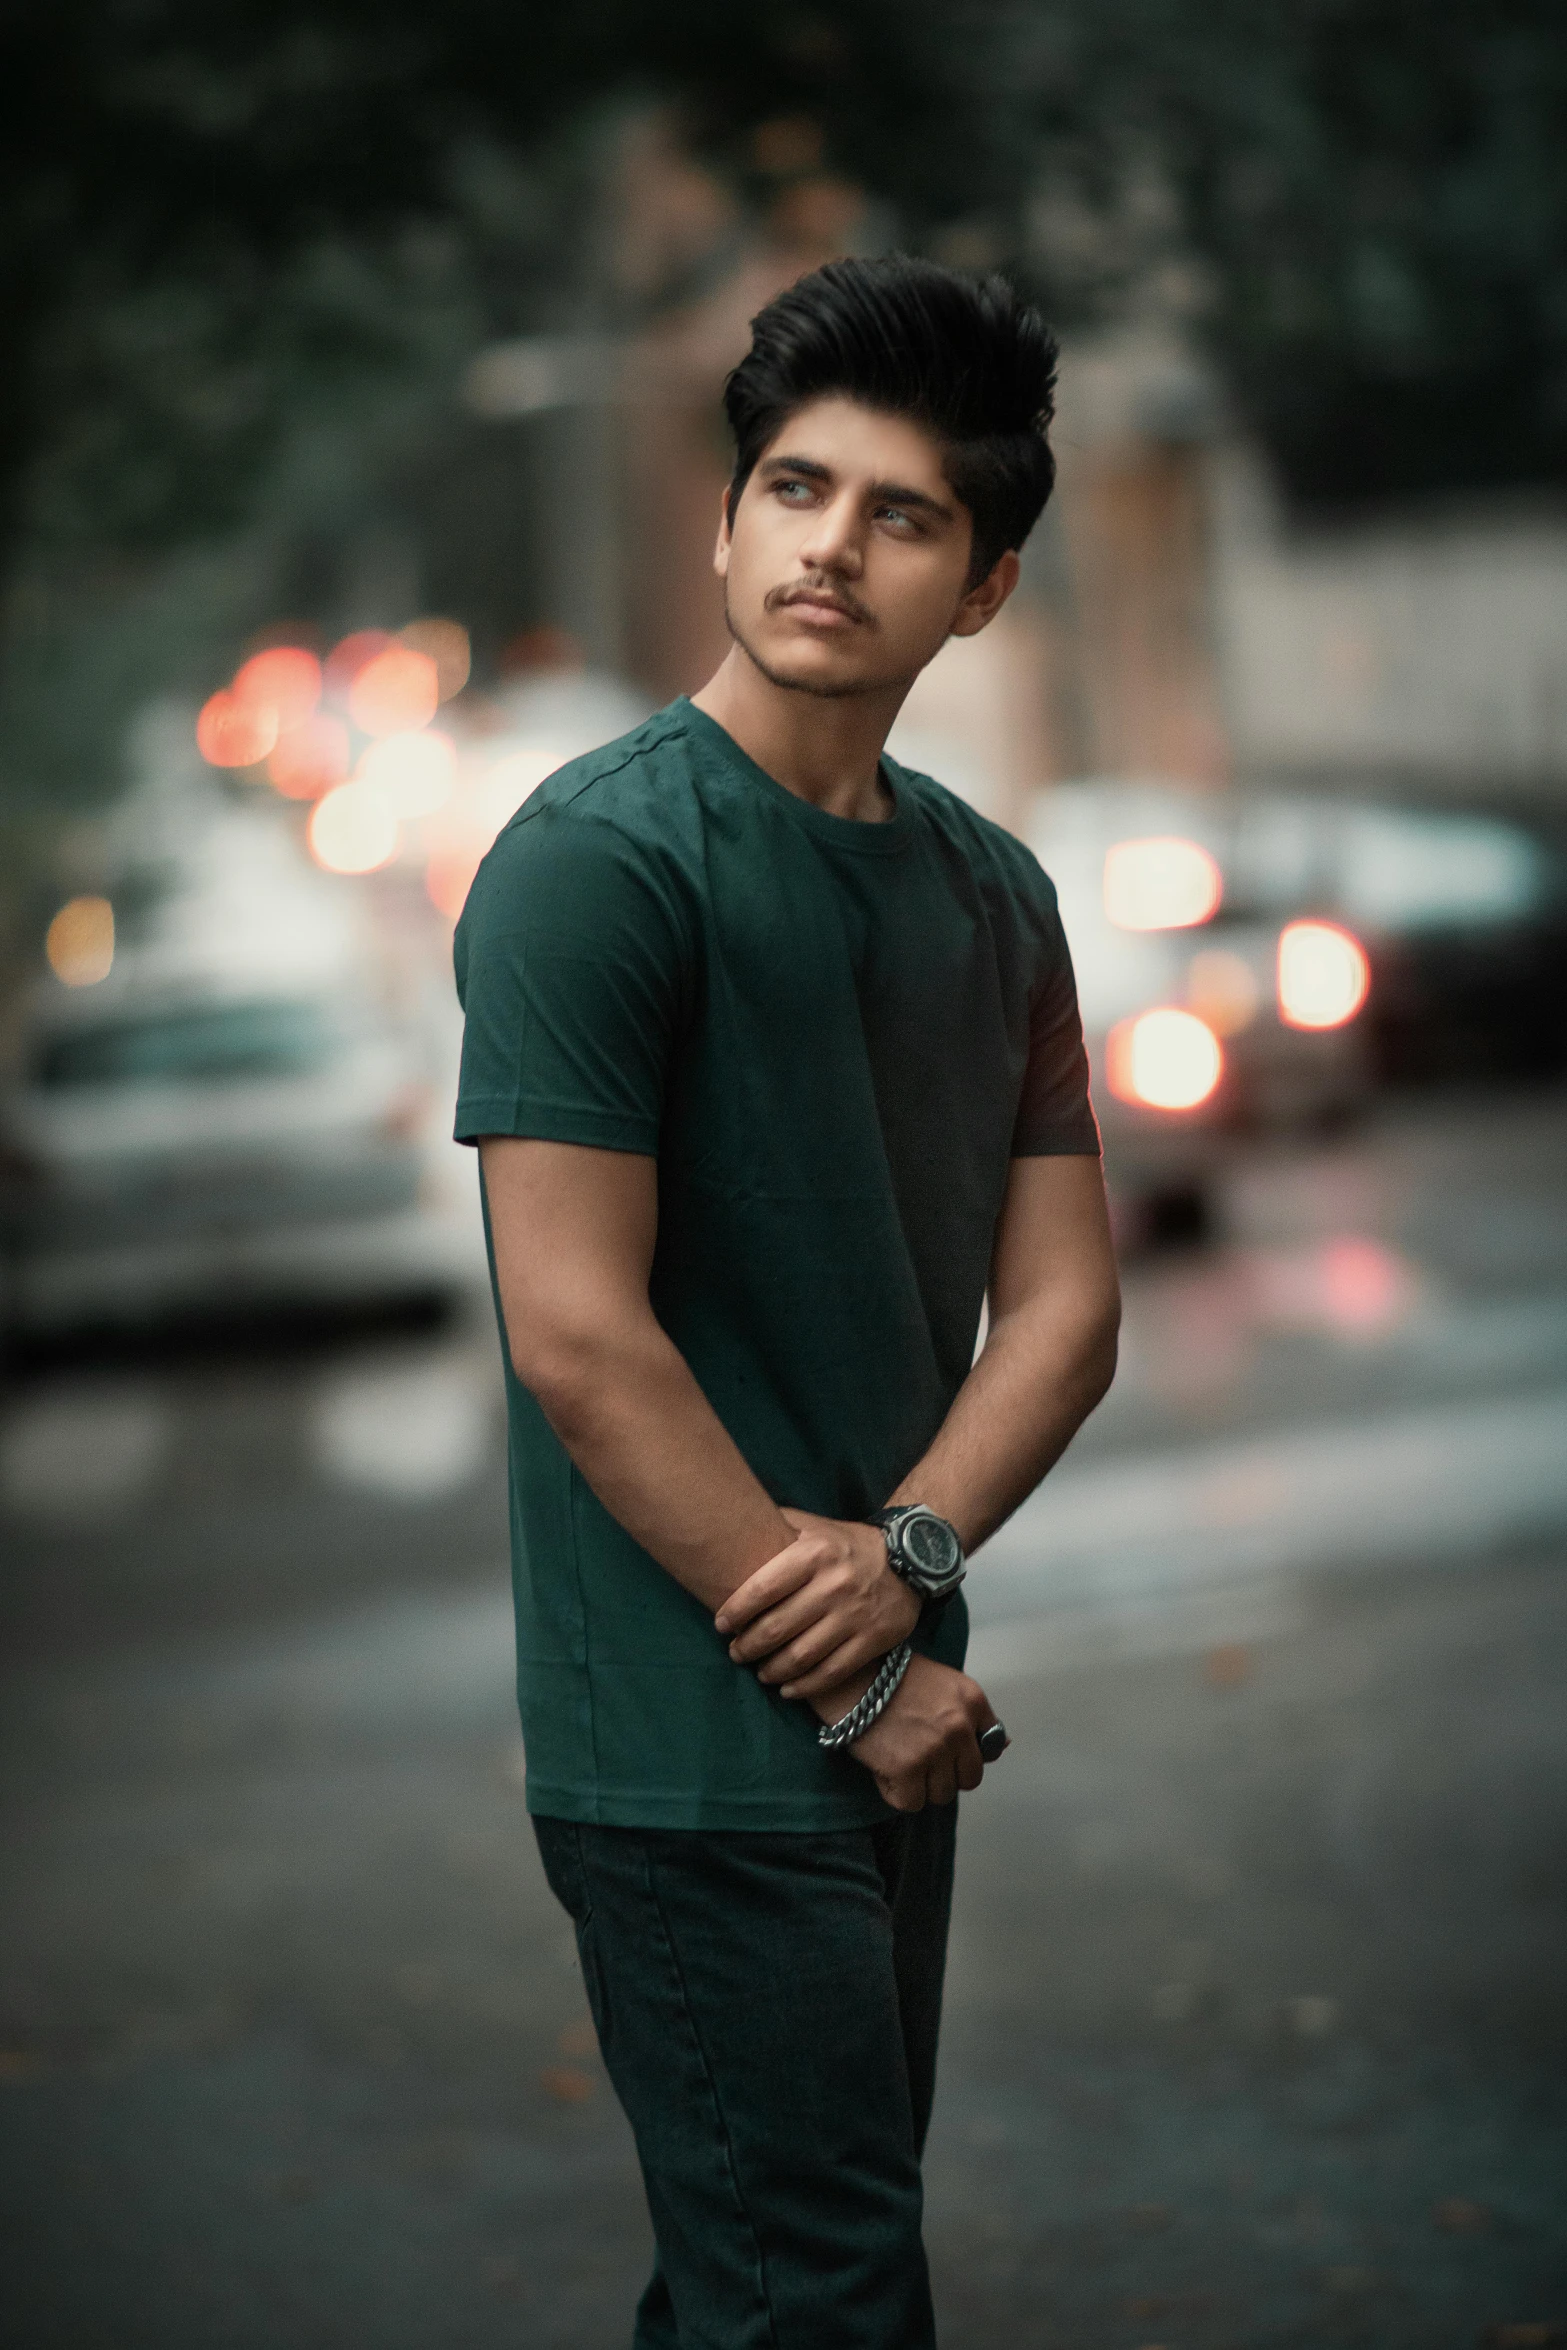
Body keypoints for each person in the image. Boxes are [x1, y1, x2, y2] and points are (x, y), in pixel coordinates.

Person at [453, 254, 1121, 2349]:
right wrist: (847, 1667)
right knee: (820, 2291)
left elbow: (1071, 1304)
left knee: (773, 2280)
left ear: (982, 586)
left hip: (883, 1711)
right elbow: (576, 1329)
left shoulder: (992, 893)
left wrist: (911, 1558)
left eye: (903, 512)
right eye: (798, 486)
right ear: (728, 518)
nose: (833, 542)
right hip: (685, 1742)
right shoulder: (597, 863)